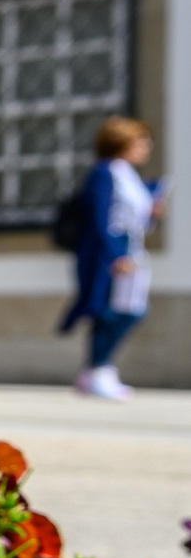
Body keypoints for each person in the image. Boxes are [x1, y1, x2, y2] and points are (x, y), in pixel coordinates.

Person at [61, 116, 165, 400]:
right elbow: (101, 218)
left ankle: (97, 370)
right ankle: (98, 370)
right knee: (111, 312)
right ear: (121, 143)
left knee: (129, 310)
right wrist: (114, 256)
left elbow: (135, 220)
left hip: (131, 251)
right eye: (140, 141)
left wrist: (153, 214)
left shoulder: (129, 176)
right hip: (111, 255)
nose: (146, 147)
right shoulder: (105, 172)